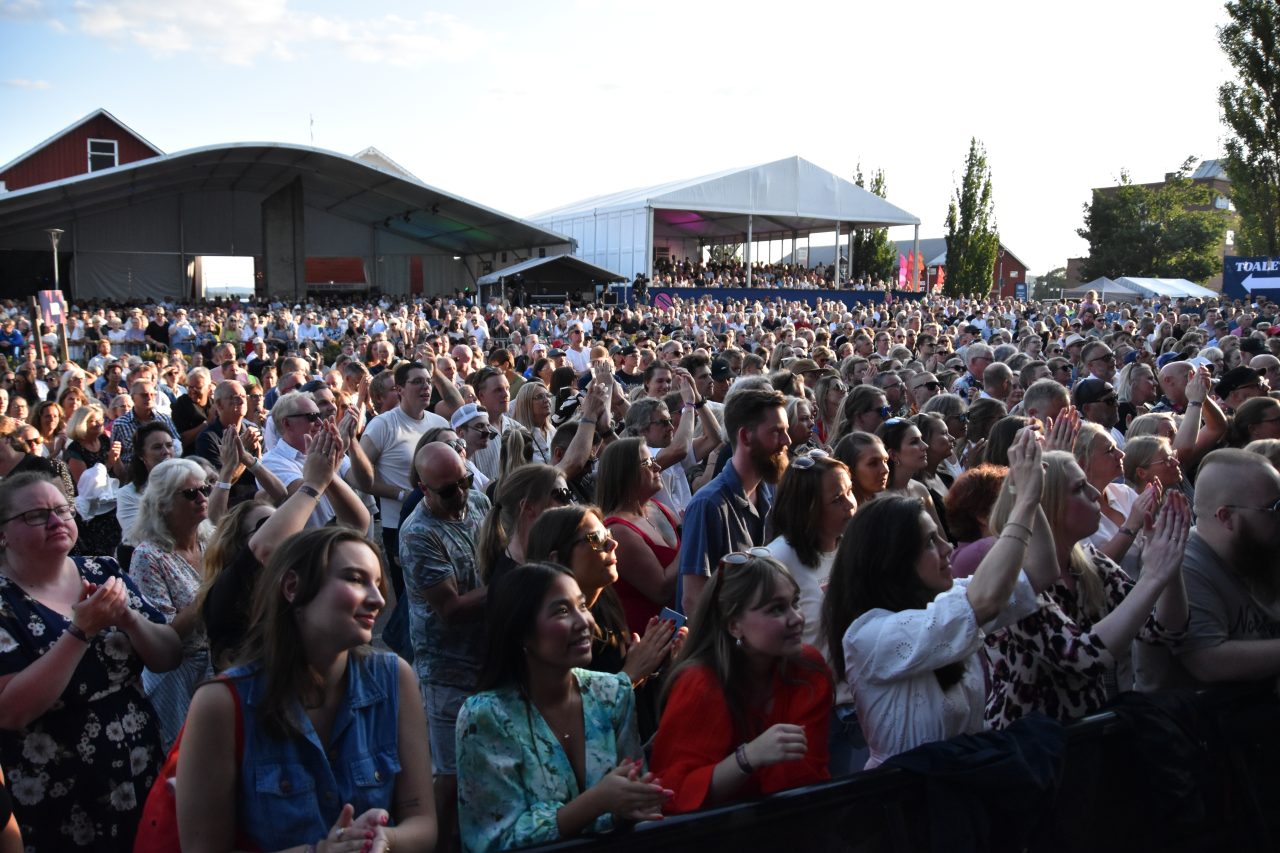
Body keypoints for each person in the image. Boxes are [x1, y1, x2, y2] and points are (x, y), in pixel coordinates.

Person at [176, 527, 437, 853]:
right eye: (356, 579)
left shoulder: (395, 678)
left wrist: (384, 839)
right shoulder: (221, 704)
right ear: (292, 587)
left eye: (378, 584)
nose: (379, 599)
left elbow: (422, 822)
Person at [823, 427, 1052, 768]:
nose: (947, 549)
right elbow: (985, 601)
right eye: (930, 542)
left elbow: (1041, 571)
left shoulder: (943, 602)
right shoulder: (870, 635)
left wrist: (1026, 489)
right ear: (894, 561)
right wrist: (1025, 500)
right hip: (909, 796)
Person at [0, 472, 181, 851]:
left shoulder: (103, 570)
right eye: (36, 515)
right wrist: (80, 632)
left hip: (138, 765)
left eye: (62, 510)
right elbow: (10, 711)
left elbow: (169, 656)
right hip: (56, 791)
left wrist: (128, 618)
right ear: (3, 534)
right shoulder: (5, 602)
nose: (56, 521)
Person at [455, 563, 667, 852]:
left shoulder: (611, 694)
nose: (584, 622)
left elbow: (636, 802)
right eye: (563, 611)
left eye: (583, 606)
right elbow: (496, 841)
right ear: (521, 633)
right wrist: (596, 802)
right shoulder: (486, 716)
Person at [984, 452, 1191, 727]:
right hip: (1028, 743)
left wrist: (1170, 564)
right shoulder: (1016, 580)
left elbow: (1162, 630)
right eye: (1080, 488)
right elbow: (1082, 656)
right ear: (1049, 506)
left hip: (1086, 733)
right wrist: (1152, 577)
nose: (1095, 493)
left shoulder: (1090, 562)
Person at [650, 552, 832, 812]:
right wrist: (749, 757)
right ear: (734, 625)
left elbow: (804, 778)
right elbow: (672, 794)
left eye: (795, 603)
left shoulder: (807, 669)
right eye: (777, 609)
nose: (797, 618)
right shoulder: (701, 684)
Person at [398, 443, 491, 847]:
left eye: (465, 481)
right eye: (449, 490)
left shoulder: (479, 502)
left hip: (489, 656)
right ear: (424, 488)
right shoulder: (418, 533)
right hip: (446, 669)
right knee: (450, 775)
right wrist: (512, 580)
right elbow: (451, 608)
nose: (462, 494)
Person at [1139, 449, 1280, 689]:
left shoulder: (1260, 547)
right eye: (1276, 507)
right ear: (1226, 517)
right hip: (1203, 710)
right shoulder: (1181, 563)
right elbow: (1208, 661)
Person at [526, 505, 680, 691]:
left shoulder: (607, 608)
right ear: (556, 560)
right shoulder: (550, 631)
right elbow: (571, 702)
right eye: (597, 538)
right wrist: (631, 675)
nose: (613, 544)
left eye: (609, 535)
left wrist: (656, 660)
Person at [678, 388, 789, 615]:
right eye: (776, 432)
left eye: (786, 431)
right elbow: (693, 600)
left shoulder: (771, 488)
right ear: (746, 436)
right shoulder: (708, 505)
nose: (787, 440)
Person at [128, 458, 213, 750]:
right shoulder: (148, 556)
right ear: (163, 504)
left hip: (219, 665)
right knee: (187, 757)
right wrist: (209, 591)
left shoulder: (211, 541)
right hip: (178, 677)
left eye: (205, 489)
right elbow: (164, 636)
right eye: (190, 493)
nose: (202, 498)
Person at [765, 450, 856, 645]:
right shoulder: (776, 560)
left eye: (850, 491)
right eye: (837, 499)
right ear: (807, 509)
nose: (850, 504)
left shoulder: (854, 547)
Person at [597, 438, 681, 635]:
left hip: (677, 634)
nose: (657, 467)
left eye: (654, 461)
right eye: (648, 463)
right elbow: (661, 590)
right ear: (625, 474)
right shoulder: (617, 530)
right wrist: (695, 537)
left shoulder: (660, 508)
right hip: (647, 640)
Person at [475, 463, 570, 586]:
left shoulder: (539, 561)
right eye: (562, 495)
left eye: (569, 494)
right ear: (527, 507)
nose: (570, 505)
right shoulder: (516, 582)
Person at [61, 402, 125, 557]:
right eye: (93, 421)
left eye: (100, 419)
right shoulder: (75, 450)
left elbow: (121, 474)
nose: (99, 423)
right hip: (92, 513)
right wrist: (109, 463)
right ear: (81, 424)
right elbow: (86, 487)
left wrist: (116, 458)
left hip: (112, 505)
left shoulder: (104, 440)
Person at [115, 421, 178, 564]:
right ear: (142, 455)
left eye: (169, 445)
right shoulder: (127, 494)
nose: (166, 451)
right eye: (157, 447)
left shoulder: (189, 485)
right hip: (152, 562)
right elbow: (138, 537)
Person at [833, 431, 890, 506]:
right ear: (849, 470)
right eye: (873, 463)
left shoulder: (884, 506)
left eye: (885, 461)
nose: (885, 470)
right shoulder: (841, 512)